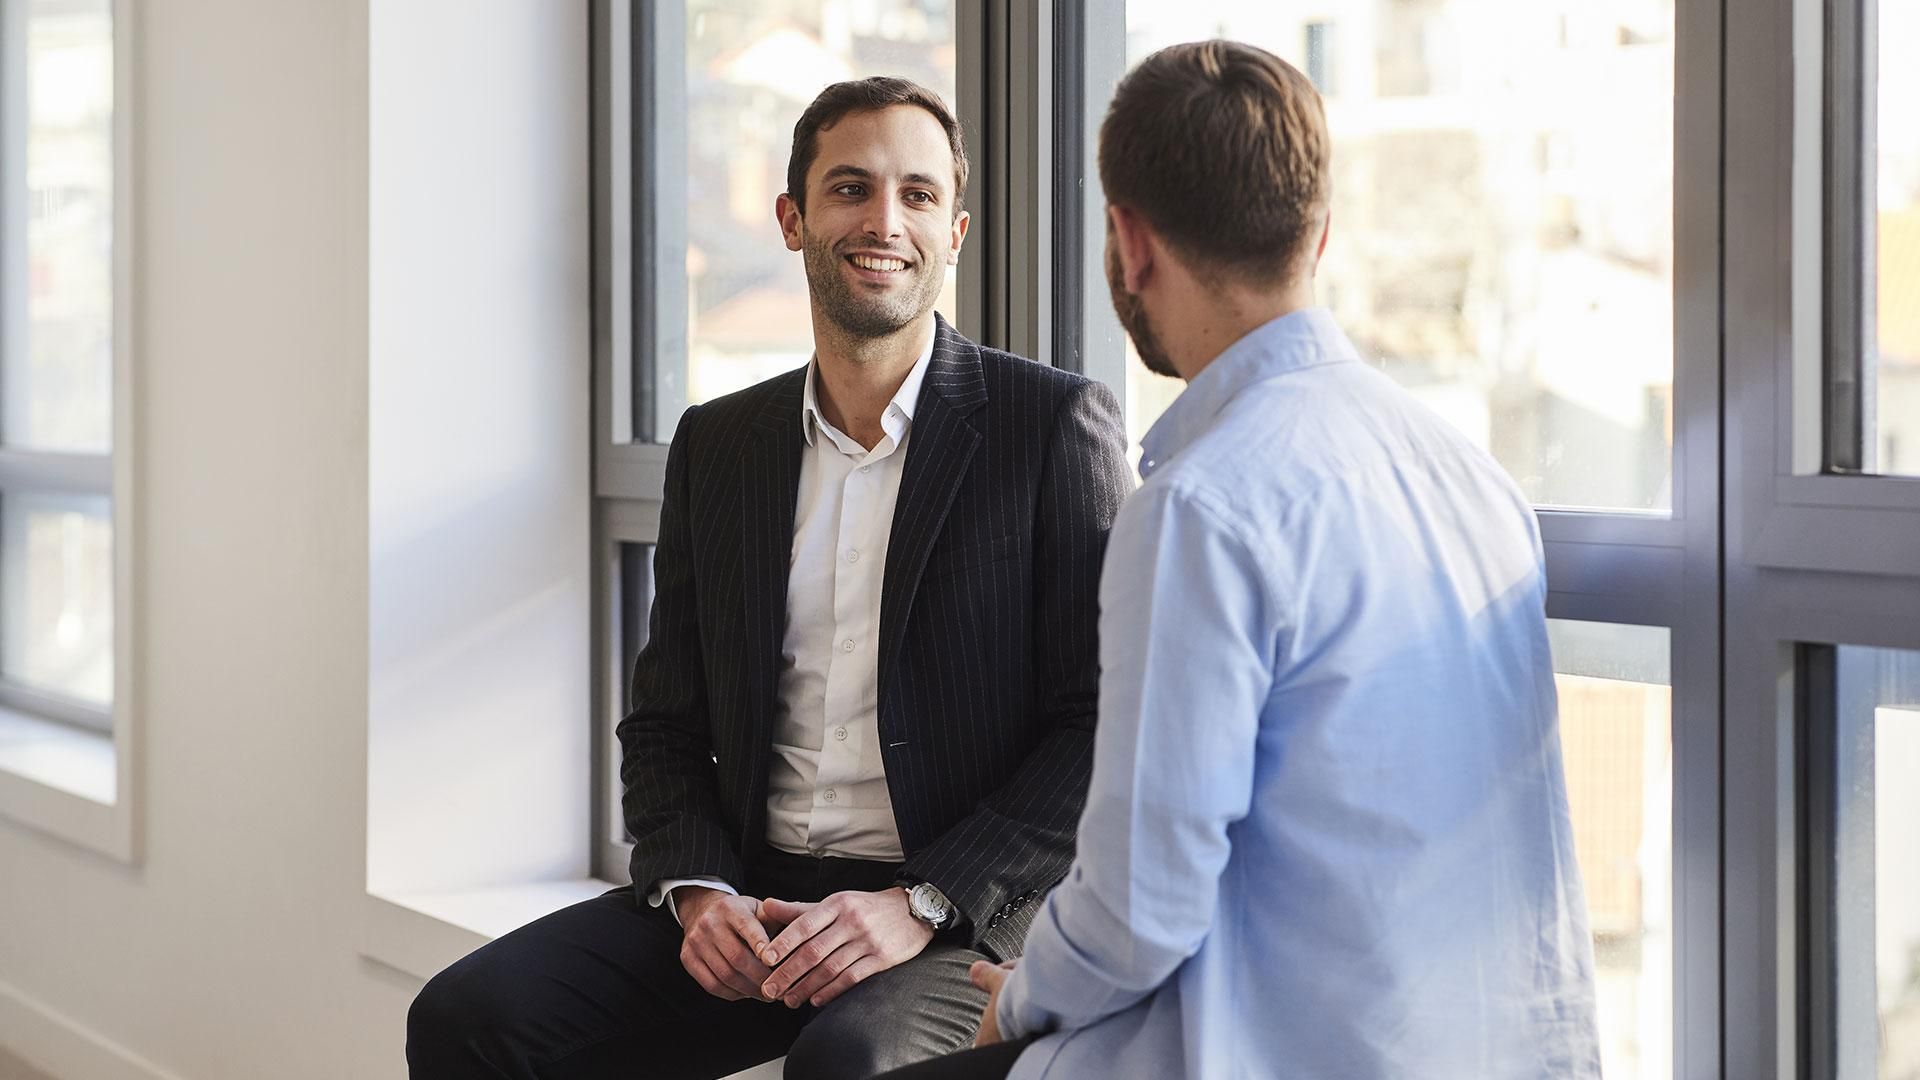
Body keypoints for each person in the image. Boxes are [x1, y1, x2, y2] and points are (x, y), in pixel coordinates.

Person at [878, 41, 1603, 1080]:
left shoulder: (1200, 512)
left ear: (1129, 244)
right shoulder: (1472, 478)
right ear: (1318, 232)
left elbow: (1142, 910)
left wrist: (1023, 1002)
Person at [405, 77, 1130, 1080]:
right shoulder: (718, 443)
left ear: (954, 231)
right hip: (748, 893)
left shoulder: (1051, 427)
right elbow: (663, 727)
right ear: (793, 219)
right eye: (850, 189)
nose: (885, 221)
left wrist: (919, 903)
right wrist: (698, 892)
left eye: (918, 196)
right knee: (469, 1017)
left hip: (954, 914)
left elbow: (1099, 722)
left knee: (843, 1065)